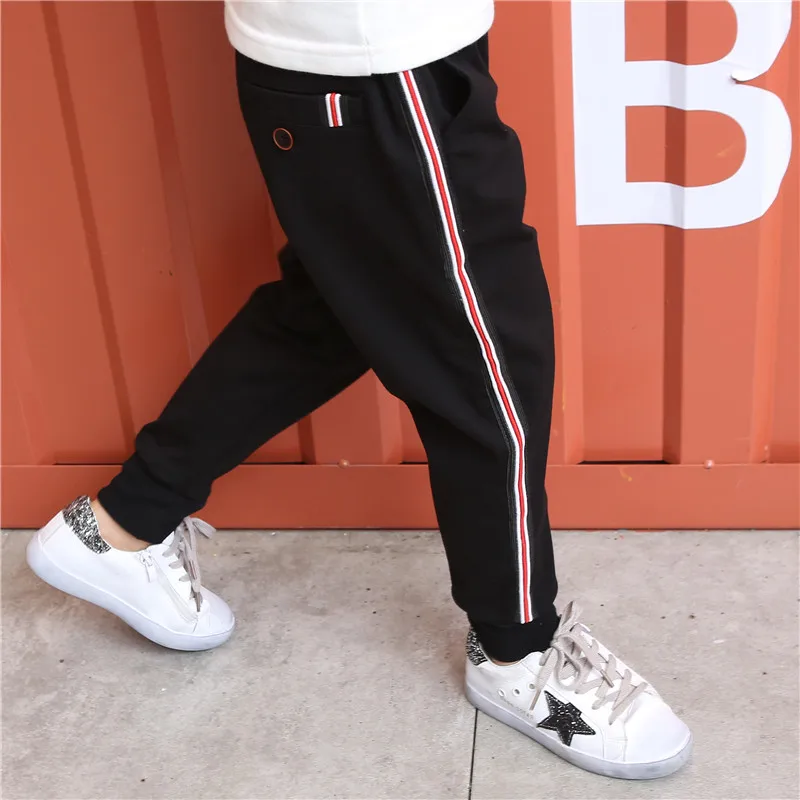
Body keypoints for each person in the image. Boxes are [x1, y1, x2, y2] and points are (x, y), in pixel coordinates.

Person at [26, 0, 691, 780]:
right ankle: (518, 653)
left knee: (343, 307)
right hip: (375, 60)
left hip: (367, 56)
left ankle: (123, 521)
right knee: (491, 363)